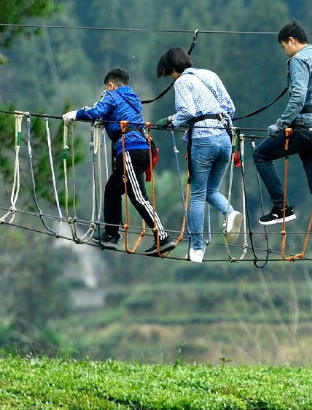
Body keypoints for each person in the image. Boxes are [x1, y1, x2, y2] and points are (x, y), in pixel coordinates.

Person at [63, 68, 175, 256]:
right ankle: (111, 235)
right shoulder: (133, 99)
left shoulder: (111, 95)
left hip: (130, 150)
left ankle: (163, 237)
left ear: (110, 85)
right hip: (138, 148)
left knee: (139, 197)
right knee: (113, 189)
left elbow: (97, 111)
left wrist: (76, 114)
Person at [252, 20, 312, 261]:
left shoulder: (299, 60)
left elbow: (298, 95)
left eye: (284, 47)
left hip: (302, 129)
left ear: (291, 41)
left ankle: (281, 206)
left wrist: (281, 124)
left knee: (261, 154)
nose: (285, 52)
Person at [155, 47, 242, 264]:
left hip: (203, 141)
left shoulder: (183, 82)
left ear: (173, 68)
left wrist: (170, 120)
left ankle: (196, 247)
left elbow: (187, 112)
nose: (172, 78)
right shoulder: (210, 75)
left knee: (196, 195)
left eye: (169, 74)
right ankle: (230, 212)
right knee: (210, 190)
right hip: (224, 140)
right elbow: (229, 108)